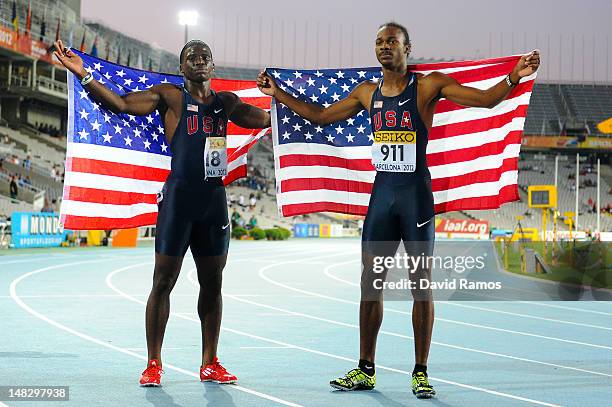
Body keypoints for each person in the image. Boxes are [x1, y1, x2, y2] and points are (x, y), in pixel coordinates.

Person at [258, 22, 539, 399]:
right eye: (379, 41)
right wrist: (278, 94)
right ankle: (365, 369)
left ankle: (420, 372)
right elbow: (321, 117)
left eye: (392, 41)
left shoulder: (428, 86)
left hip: (415, 196)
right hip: (383, 196)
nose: (384, 46)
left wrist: (513, 77)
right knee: (369, 286)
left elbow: (485, 100)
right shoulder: (366, 92)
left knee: (420, 286)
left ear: (408, 47)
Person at [53, 38, 271, 387]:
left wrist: (281, 95)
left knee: (212, 284)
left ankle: (210, 362)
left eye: (205, 56)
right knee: (163, 283)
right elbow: (122, 105)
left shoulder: (226, 103)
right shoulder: (170, 96)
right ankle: (153, 362)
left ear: (213, 67)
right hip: (178, 202)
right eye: (190, 57)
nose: (198, 60)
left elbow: (266, 118)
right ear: (181, 67)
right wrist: (85, 75)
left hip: (214, 203)